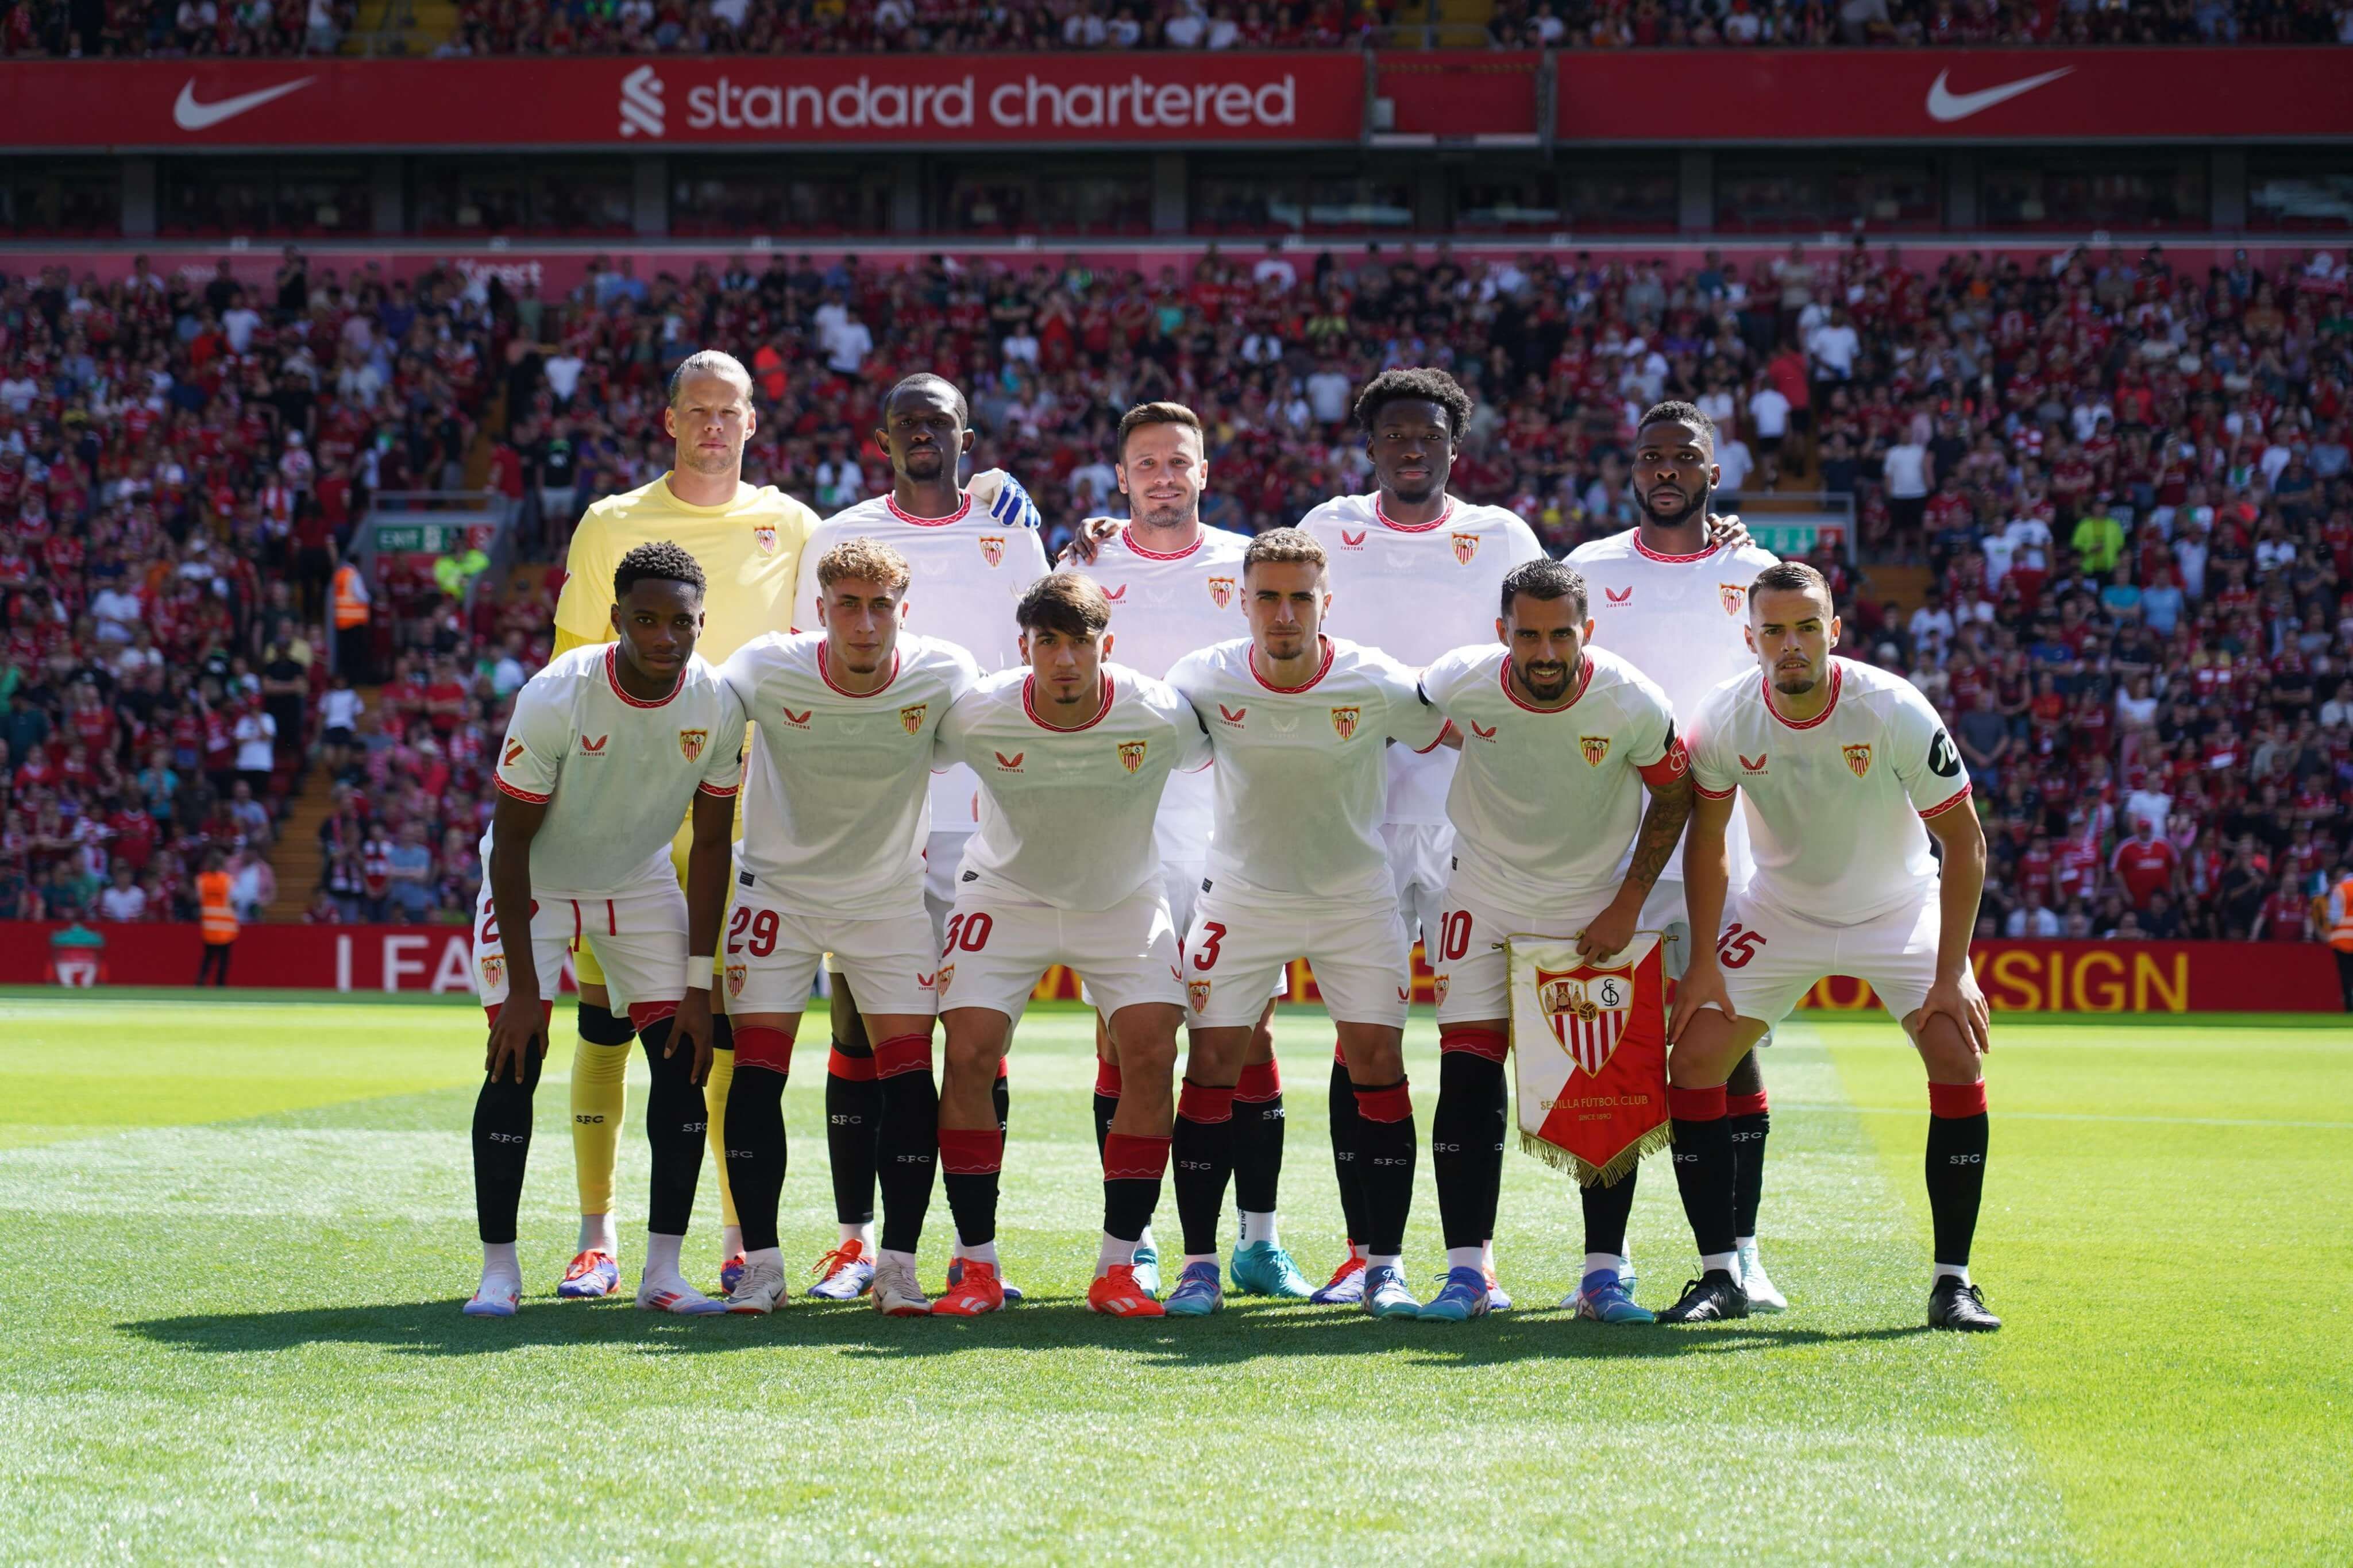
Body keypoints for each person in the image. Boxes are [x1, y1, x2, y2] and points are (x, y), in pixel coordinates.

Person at [546, 349, 818, 1301]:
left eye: (729, 410)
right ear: (669, 420)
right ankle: (596, 1236)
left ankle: (741, 1236)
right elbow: (576, 677)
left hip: (747, 824)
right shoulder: (612, 525)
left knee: (728, 1036)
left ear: (752, 421)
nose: (713, 425)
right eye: (696, 410)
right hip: (626, 820)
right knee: (606, 1027)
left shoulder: (792, 527)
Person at [1668, 562, 2000, 1332]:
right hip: (1783, 910)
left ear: (1834, 631)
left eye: (1807, 627)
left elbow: (1964, 842)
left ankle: (1954, 1282)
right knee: (1693, 1059)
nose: (1792, 645)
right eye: (1775, 631)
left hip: (1898, 906)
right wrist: (1706, 960)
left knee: (1957, 1052)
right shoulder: (1724, 718)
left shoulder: (1892, 708)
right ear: (1750, 639)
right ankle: (1720, 1275)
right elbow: (1708, 840)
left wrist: (1951, 974)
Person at [1293, 367, 1545, 1308]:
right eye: (1394, 432)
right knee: (1362, 1039)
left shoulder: (1503, 537)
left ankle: (1471, 1260)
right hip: (1352, 815)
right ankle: (1368, 1253)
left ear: (1455, 444)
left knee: (1471, 1040)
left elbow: (1550, 632)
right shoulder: (1327, 529)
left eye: (1428, 434)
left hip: (1470, 817)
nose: (1411, 447)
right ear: (1371, 445)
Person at [789, 372, 1044, 1302]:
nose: (923, 436)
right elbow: (813, 678)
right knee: (862, 1037)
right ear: (884, 440)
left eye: (939, 422)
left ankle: (975, 1251)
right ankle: (857, 1245)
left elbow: (1034, 668)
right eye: (907, 424)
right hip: (877, 829)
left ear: (967, 437)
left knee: (977, 1043)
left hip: (984, 831)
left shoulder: (1011, 533)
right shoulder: (841, 536)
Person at [1160, 529, 1451, 1319]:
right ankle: (1198, 1264)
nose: (1284, 614)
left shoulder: (1376, 679)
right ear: (1241, 599)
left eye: (1301, 598)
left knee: (1378, 1065)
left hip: (1355, 899)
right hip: (1243, 897)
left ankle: (1383, 1265)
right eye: (1268, 597)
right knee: (1213, 1063)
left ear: (1327, 604)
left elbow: (1455, 731)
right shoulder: (1204, 678)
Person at [464, 540, 747, 1319]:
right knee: (514, 1057)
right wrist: (526, 990)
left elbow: (714, 843)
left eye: (681, 622)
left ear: (701, 623)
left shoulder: (718, 702)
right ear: (615, 619)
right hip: (536, 880)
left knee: (686, 1058)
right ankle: (499, 1270)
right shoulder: (558, 694)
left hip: (637, 877)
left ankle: (663, 1271)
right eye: (646, 620)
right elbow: (513, 844)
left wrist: (698, 985)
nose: (665, 637)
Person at [1063, 401, 1305, 1301]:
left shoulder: (1245, 564)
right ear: (1121, 477)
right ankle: (1137, 1239)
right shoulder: (1082, 564)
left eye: (1180, 461)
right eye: (1146, 463)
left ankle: (1258, 1240)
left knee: (1245, 1036)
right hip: (1116, 832)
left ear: (1205, 471)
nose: (1164, 476)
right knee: (1127, 1037)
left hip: (1228, 830)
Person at [1415, 559, 1693, 1323]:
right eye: (1527, 634)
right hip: (1482, 895)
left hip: (1590, 906)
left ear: (1586, 632)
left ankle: (1604, 1276)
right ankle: (1468, 1274)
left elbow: (1674, 792)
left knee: (1603, 1089)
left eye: (1560, 634)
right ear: (1501, 631)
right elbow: (1400, 714)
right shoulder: (1459, 681)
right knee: (1468, 1080)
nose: (1544, 651)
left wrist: (1628, 901)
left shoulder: (1632, 699)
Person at [926, 572, 1208, 1319]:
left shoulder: (1160, 713)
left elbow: (1224, 768)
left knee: (1151, 1050)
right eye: (1047, 641)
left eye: (1080, 641)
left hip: (1122, 897)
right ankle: (976, 1264)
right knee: (968, 1052)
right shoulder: (979, 712)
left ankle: (1120, 1264)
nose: (1064, 659)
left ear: (1105, 644)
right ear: (1024, 647)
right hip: (1005, 892)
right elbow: (910, 757)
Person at [715, 538, 981, 1317]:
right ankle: (760, 1266)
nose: (865, 624)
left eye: (881, 606)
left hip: (887, 902)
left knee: (907, 1082)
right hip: (777, 896)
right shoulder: (765, 667)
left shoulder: (944, 672)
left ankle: (897, 1264)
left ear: (905, 610)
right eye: (848, 606)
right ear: (820, 611)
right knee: (758, 1077)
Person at [1568, 400, 1787, 1312]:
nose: (1667, 470)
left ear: (1712, 471)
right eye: (1652, 456)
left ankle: (1739, 1251)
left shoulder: (1757, 568)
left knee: (1725, 1048)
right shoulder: (1589, 568)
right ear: (1633, 471)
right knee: (1607, 1055)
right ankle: (1603, 1263)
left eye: (1684, 457)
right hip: (1609, 847)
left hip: (1723, 849)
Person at [195, 849, 236, 986]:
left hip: (209, 927)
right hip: (226, 928)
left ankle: (201, 982)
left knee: (208, 958)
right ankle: (220, 985)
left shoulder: (202, 880)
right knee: (224, 960)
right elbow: (234, 900)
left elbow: (198, 899)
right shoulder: (227, 880)